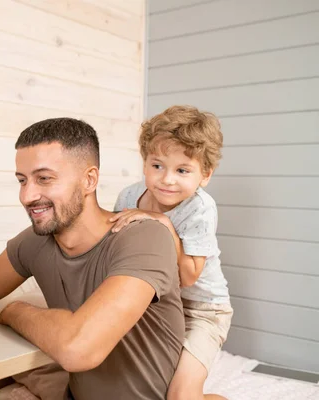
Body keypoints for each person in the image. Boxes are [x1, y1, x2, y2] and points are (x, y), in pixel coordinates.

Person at [0, 118, 185, 399]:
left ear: (89, 179)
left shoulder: (144, 238)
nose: (27, 196)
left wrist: (15, 311)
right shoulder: (36, 241)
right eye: (22, 180)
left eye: (44, 179)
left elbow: (78, 348)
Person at [110, 105, 233, 400]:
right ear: (144, 163)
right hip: (158, 306)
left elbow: (189, 277)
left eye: (182, 170)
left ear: (204, 175)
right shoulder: (129, 196)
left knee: (180, 396)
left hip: (203, 311)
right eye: (157, 166)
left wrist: (164, 223)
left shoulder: (199, 208)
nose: (167, 179)